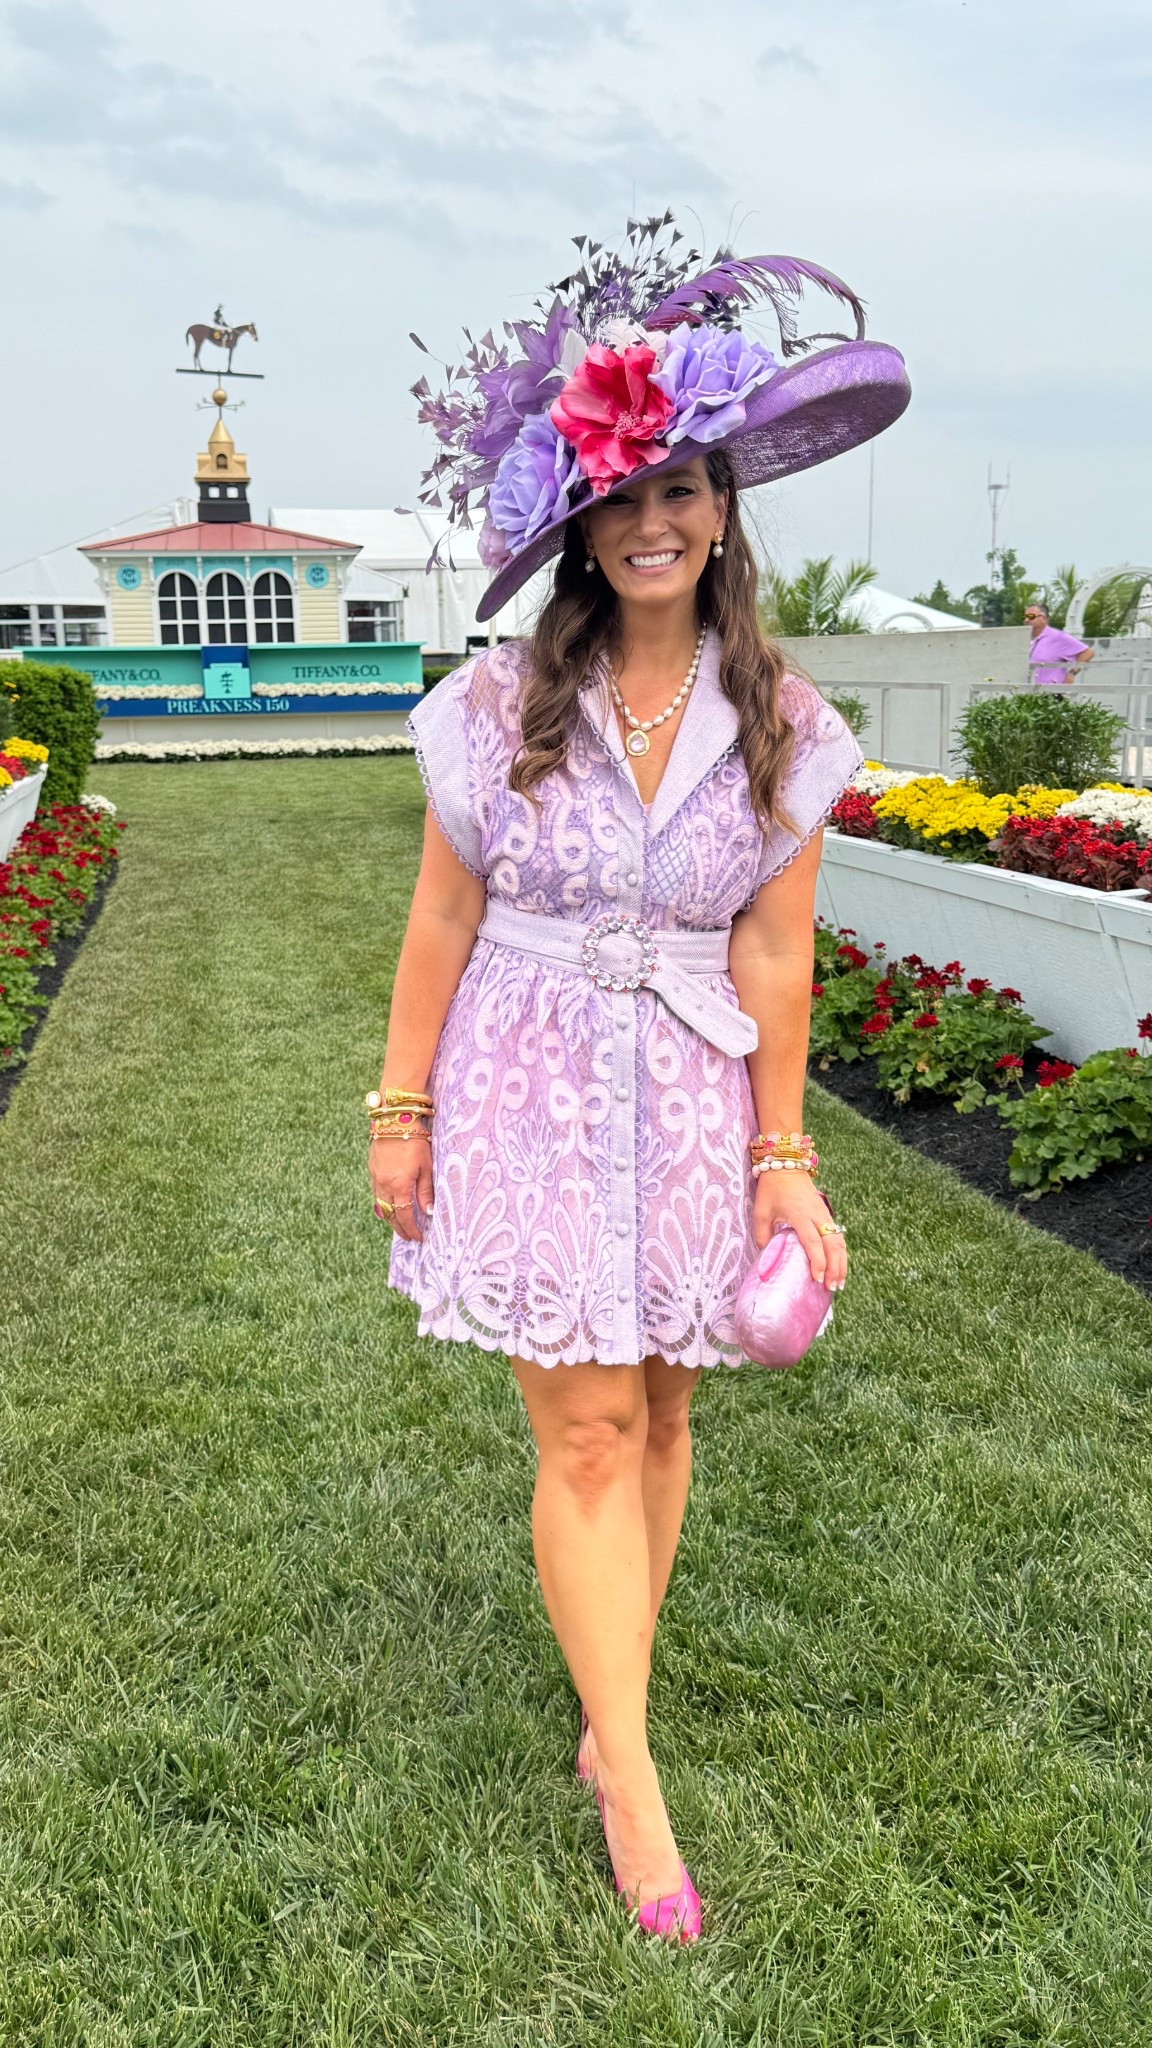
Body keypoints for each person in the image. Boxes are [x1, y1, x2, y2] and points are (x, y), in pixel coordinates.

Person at [369, 220, 910, 1942]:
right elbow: (443, 910)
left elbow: (772, 956)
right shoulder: (496, 703)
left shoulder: (786, 722)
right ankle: (636, 1774)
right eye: (623, 496)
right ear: (578, 524)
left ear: (722, 503)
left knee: (664, 1409)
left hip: (686, 1095)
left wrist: (783, 1156)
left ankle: (613, 1719)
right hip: (521, 1080)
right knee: (588, 1424)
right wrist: (400, 1106)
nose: (655, 519)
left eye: (683, 487)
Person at [1025, 600, 1094, 688]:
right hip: (1033, 694)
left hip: (1053, 693)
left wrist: (1071, 674)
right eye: (1025, 616)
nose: (1026, 620)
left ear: (1044, 618)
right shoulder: (1032, 640)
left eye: (1031, 616)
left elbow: (1088, 652)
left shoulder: (1057, 636)